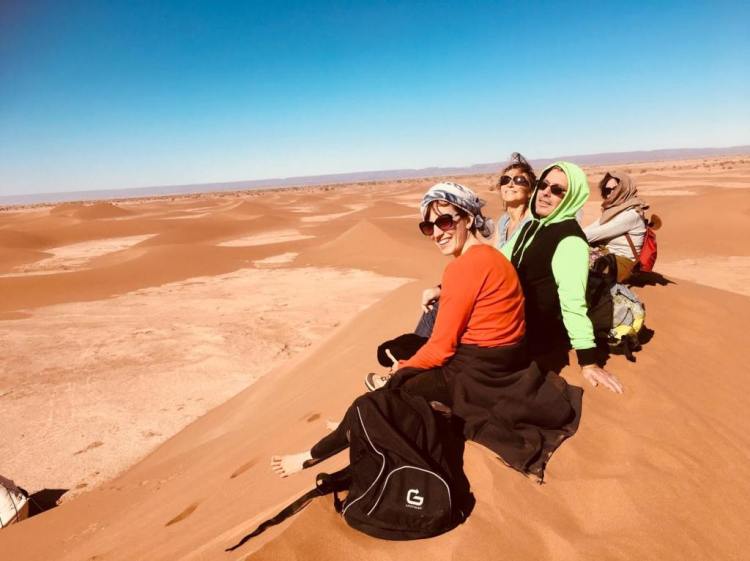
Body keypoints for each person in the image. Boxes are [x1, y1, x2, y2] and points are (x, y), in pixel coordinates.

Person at [273, 183, 583, 481]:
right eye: (428, 226)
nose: (437, 232)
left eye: (445, 221)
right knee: (401, 365)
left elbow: (440, 349)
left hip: (474, 376)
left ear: (468, 218)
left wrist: (402, 370)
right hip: (503, 366)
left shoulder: (464, 267)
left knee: (378, 400)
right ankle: (349, 427)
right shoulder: (493, 257)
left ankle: (312, 454)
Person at [502, 162, 623, 393]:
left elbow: (573, 303)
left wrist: (588, 362)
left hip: (533, 336)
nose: (546, 193)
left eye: (557, 190)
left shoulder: (570, 240)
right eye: (543, 185)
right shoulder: (533, 226)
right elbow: (498, 261)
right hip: (510, 319)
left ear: (571, 198)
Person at [584, 171, 648, 282]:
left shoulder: (631, 214)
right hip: (608, 256)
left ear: (624, 188)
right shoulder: (615, 211)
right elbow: (592, 228)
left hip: (622, 264)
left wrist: (569, 237)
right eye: (607, 190)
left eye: (615, 189)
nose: (610, 193)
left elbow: (595, 234)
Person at [494, 152, 535, 249]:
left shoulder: (533, 222)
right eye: (505, 180)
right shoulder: (503, 222)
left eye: (519, 180)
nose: (510, 184)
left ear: (530, 192)